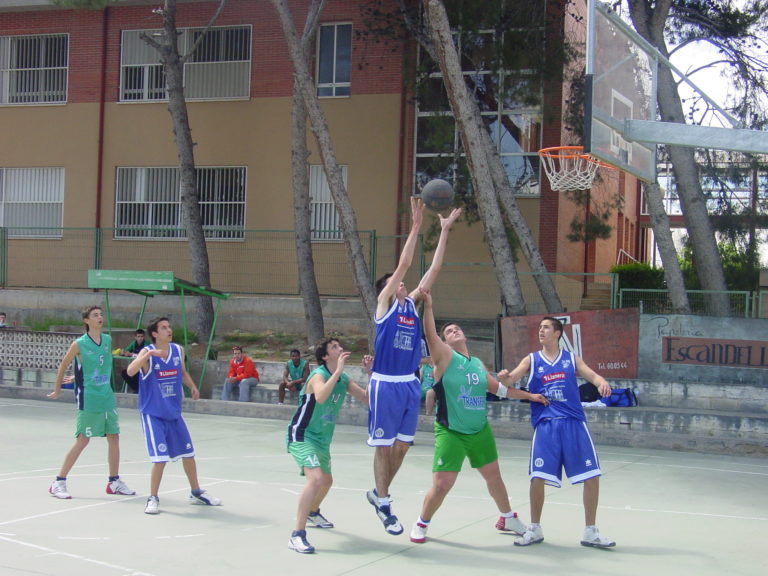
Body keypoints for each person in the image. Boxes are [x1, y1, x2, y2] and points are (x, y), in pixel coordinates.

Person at [409, 289, 549, 544]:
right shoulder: (444, 357)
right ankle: (421, 522)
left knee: (494, 478)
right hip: (452, 431)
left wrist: (530, 396)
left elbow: (501, 389)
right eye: (449, 331)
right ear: (444, 341)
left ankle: (507, 517)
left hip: (479, 431)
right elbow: (430, 334)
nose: (454, 331)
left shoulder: (476, 364)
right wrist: (428, 306)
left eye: (456, 329)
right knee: (442, 485)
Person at [366, 197, 461, 536]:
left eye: (402, 282)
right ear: (389, 290)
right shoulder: (385, 306)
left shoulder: (411, 306)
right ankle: (386, 501)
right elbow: (405, 264)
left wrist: (444, 231)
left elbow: (433, 271)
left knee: (402, 446)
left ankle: (378, 495)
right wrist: (417, 227)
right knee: (383, 446)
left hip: (409, 383)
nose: (403, 283)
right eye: (396, 282)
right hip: (385, 382)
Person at [497, 316, 616, 549]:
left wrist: (602, 382)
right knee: (538, 477)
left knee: (592, 476)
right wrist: (504, 378)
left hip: (573, 423)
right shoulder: (532, 359)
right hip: (546, 425)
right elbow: (511, 379)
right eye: (540, 327)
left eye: (546, 327)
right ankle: (535, 528)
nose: (541, 331)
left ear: (557, 333)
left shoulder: (571, 359)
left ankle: (590, 531)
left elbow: (592, 375)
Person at [126, 316, 221, 515]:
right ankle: (153, 498)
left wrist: (193, 386)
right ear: (154, 333)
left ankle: (196, 493)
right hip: (153, 414)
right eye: (163, 327)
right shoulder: (147, 353)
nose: (169, 330)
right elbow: (131, 370)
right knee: (160, 459)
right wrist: (150, 352)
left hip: (174, 413)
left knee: (189, 454)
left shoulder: (178, 350)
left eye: (169, 326)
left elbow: (182, 372)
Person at [286, 338, 371, 554]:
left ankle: (313, 511)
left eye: (339, 345)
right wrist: (338, 371)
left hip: (322, 439)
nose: (340, 348)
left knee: (327, 481)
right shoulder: (318, 375)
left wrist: (371, 373)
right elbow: (321, 397)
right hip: (303, 434)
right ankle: (297, 535)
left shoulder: (343, 378)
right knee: (315, 479)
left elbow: (367, 398)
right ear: (325, 356)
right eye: (334, 347)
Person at [46, 305, 135, 499]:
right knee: (83, 440)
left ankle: (114, 482)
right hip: (89, 398)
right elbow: (63, 365)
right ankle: (58, 482)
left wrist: (78, 376)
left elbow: (98, 366)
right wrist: (58, 389)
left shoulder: (108, 340)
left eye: (101, 314)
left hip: (107, 397)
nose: (100, 317)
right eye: (95, 315)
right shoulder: (79, 343)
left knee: (114, 436)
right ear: (87, 321)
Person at [120, 329, 147, 393]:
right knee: (124, 373)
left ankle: (139, 390)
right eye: (138, 336)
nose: (140, 338)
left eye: (141, 336)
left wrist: (131, 354)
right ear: (135, 337)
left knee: (138, 374)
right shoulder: (134, 343)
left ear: (144, 337)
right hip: (136, 366)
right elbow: (126, 350)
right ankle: (137, 389)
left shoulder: (146, 344)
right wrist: (124, 352)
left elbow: (144, 355)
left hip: (144, 367)